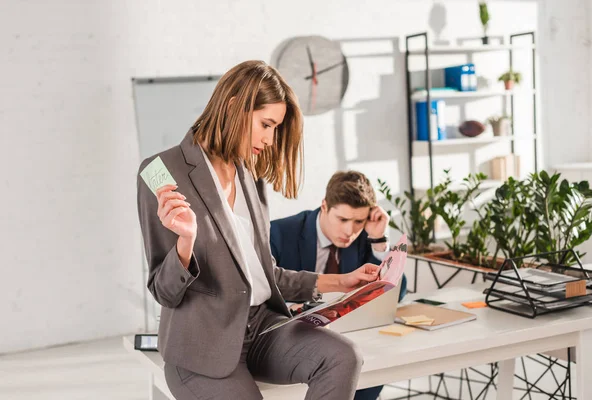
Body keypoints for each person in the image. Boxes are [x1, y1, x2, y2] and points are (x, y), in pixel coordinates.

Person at [137, 60, 383, 400]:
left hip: (262, 328)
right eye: (266, 124)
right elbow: (164, 292)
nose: (269, 139)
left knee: (343, 357)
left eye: (275, 128)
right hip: (202, 347)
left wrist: (343, 282)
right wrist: (186, 242)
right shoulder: (160, 171)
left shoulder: (248, 176)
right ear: (235, 105)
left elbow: (266, 275)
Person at [270, 171, 408, 400]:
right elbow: (263, 288)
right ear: (324, 206)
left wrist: (379, 241)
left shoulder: (366, 237)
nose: (349, 231)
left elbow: (397, 293)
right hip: (294, 337)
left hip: (351, 335)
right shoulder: (279, 233)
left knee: (371, 368)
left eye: (358, 221)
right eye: (342, 220)